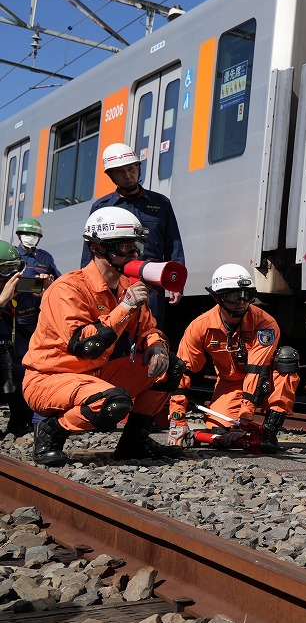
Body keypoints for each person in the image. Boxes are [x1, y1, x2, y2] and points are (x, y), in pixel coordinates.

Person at [26, 207, 178, 467]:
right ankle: (52, 432)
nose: (133, 255)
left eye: (136, 247)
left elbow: (149, 330)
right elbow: (86, 346)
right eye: (124, 248)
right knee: (111, 402)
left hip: (95, 374)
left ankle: (134, 442)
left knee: (171, 369)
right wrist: (125, 307)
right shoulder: (67, 288)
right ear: (97, 248)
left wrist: (156, 347)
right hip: (50, 378)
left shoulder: (126, 288)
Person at [168, 264, 298, 453]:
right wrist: (177, 418)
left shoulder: (264, 324)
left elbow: (257, 371)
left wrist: (244, 419)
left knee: (287, 359)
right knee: (217, 431)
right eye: (233, 296)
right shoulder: (200, 327)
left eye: (247, 295)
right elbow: (182, 371)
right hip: (231, 384)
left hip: (265, 382)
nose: (241, 302)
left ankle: (270, 431)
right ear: (217, 297)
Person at [81, 143, 184, 330]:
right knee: (115, 332)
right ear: (111, 176)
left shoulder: (161, 204)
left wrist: (176, 284)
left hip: (151, 285)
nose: (128, 175)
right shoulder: (101, 207)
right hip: (114, 284)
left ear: (138, 168)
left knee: (151, 331)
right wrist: (86, 287)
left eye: (131, 168)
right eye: (120, 172)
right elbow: (90, 251)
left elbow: (173, 244)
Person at [5, 219, 60, 437]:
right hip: (11, 320)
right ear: (19, 235)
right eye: (27, 234)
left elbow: (58, 280)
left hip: (34, 321)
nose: (31, 238)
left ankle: (30, 420)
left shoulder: (44, 258)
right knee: (15, 370)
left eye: (35, 235)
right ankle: (21, 420)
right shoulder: (12, 256)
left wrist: (47, 282)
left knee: (31, 368)